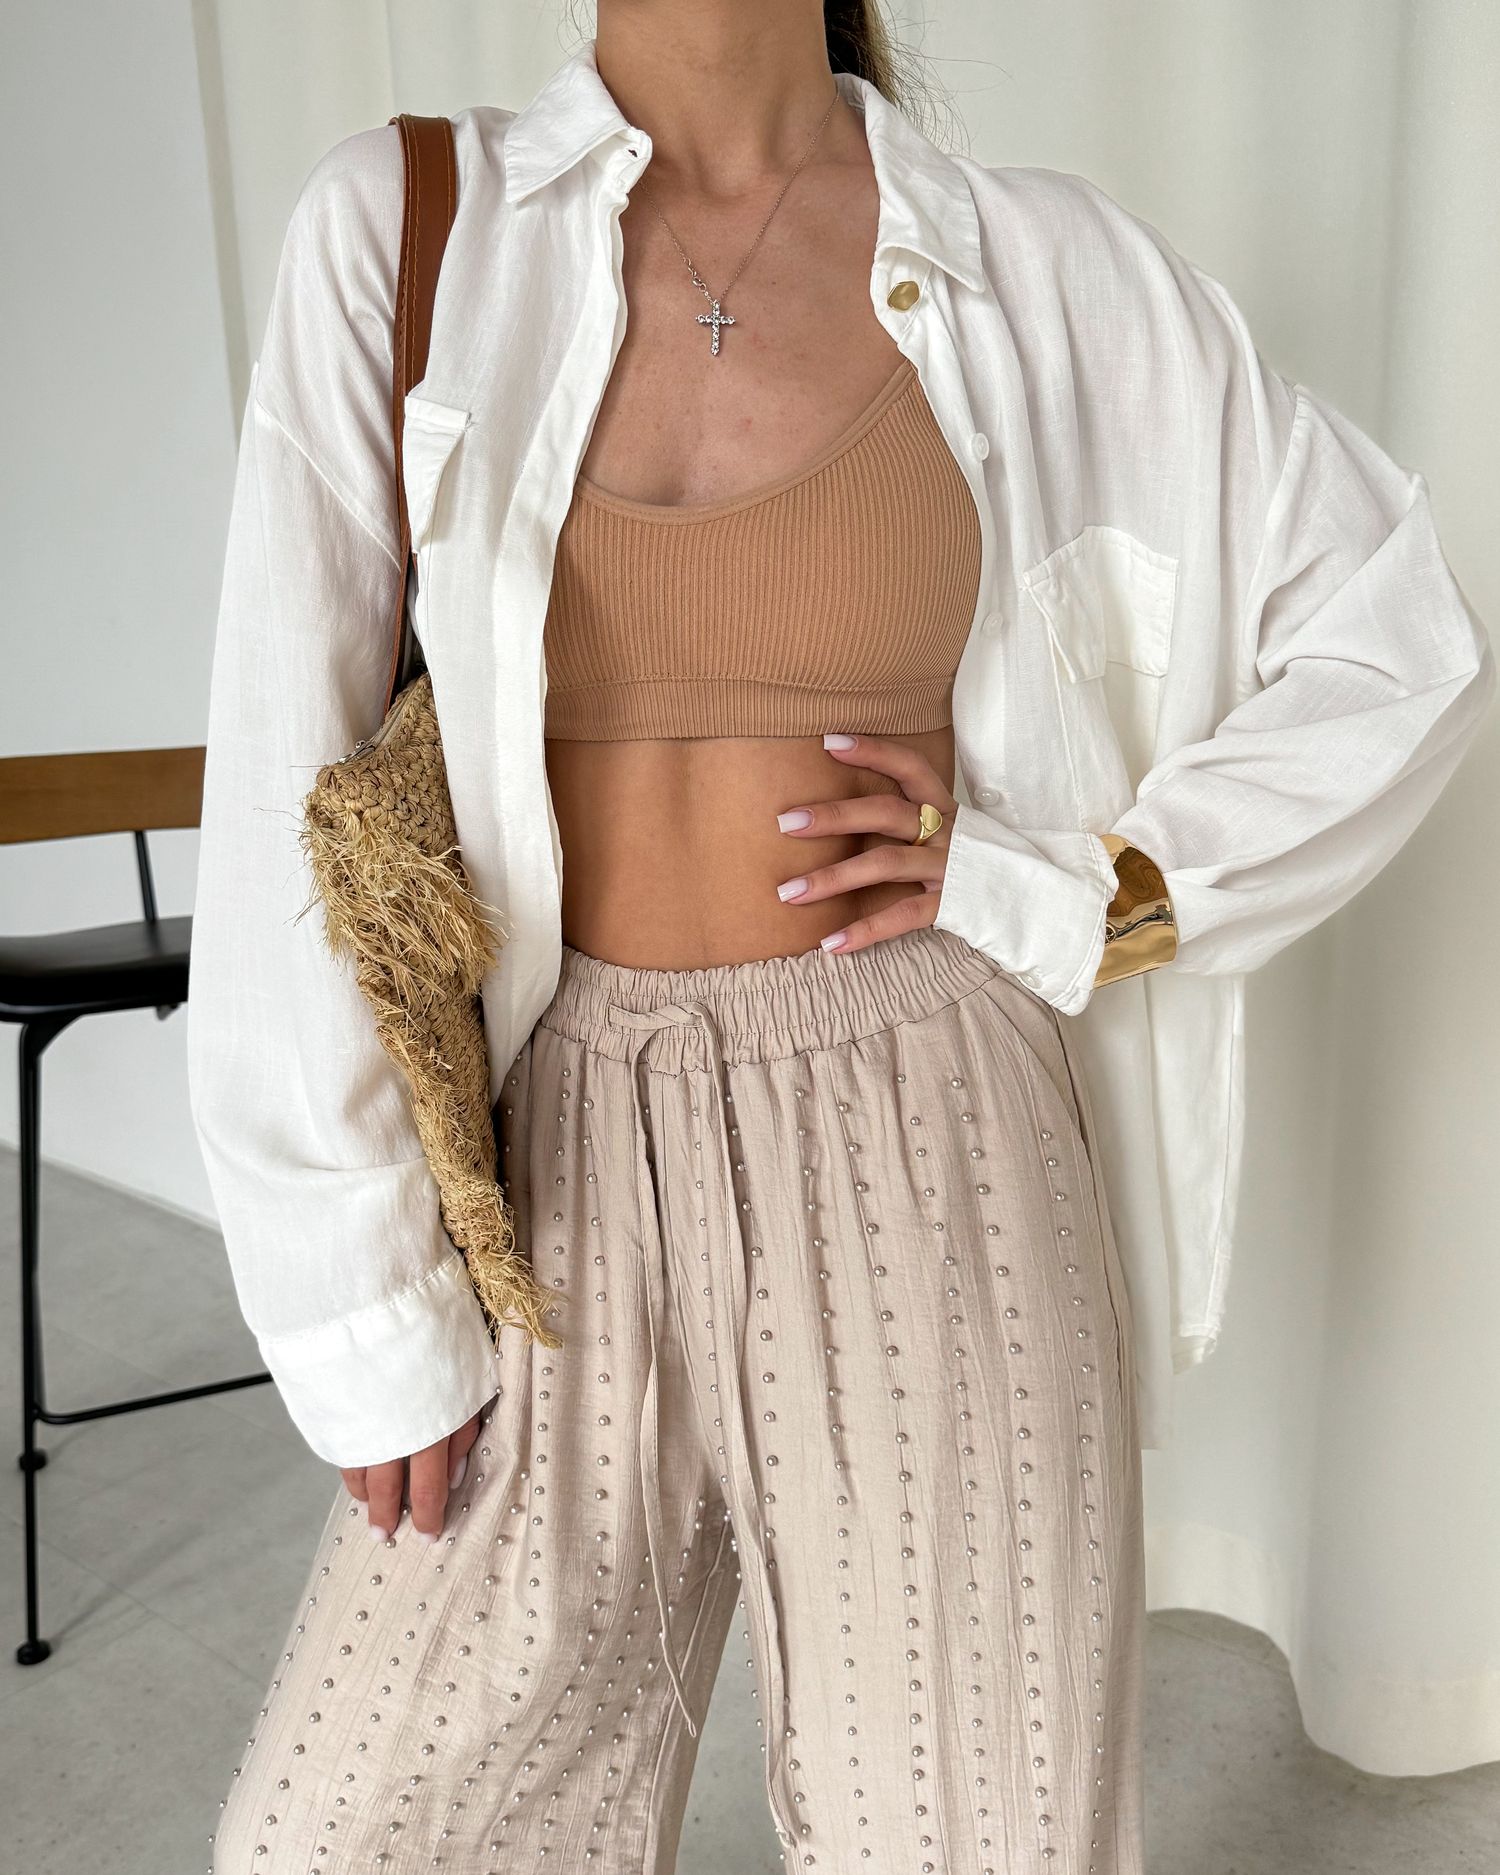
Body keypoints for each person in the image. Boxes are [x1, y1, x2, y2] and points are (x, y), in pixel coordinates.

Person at [188, 5, 1493, 1872]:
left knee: (971, 1834)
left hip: (931, 1115)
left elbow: (1397, 635)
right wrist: (352, 1296)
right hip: (558, 1136)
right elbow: (280, 766)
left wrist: (1085, 888)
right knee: (354, 1832)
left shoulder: (1041, 268)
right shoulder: (413, 226)